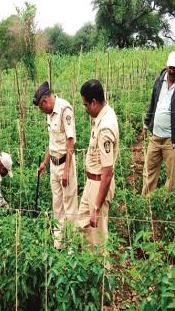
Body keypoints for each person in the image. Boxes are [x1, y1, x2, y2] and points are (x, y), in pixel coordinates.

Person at [33, 81, 78, 249]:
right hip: (53, 165)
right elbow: (52, 141)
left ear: (46, 101)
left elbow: (70, 139)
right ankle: (58, 245)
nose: (41, 111)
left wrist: (66, 170)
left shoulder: (64, 109)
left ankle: (72, 248)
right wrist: (45, 162)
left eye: (40, 107)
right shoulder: (49, 113)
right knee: (57, 205)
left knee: (70, 206)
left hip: (65, 163)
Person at [142, 51, 175, 195]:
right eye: (170, 67)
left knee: (171, 175)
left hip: (172, 139)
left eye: (174, 68)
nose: (171, 71)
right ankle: (147, 201)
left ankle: (167, 203)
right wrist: (146, 124)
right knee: (149, 170)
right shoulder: (159, 81)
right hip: (155, 135)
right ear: (167, 66)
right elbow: (152, 103)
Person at [77, 79, 119, 249]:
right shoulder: (102, 115)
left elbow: (107, 172)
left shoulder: (105, 127)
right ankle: (90, 267)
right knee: (83, 225)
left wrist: (96, 206)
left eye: (86, 105)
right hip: (91, 183)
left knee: (99, 239)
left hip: (99, 185)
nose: (85, 109)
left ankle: (103, 272)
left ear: (94, 102)